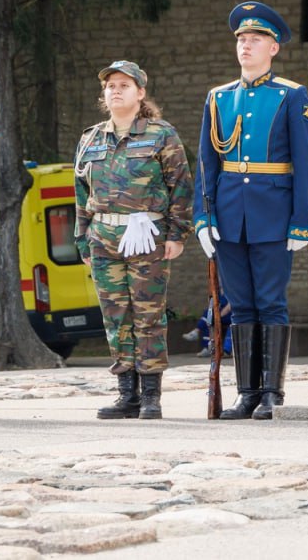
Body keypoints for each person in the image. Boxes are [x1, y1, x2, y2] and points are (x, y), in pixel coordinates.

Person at [194, 1, 308, 420]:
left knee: (270, 302)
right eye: (242, 40)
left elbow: (306, 164)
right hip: (229, 215)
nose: (246, 46)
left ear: (274, 48)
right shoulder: (218, 98)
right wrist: (203, 218)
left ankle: (271, 394)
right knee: (241, 304)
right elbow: (207, 165)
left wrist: (302, 221)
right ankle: (246, 393)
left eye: (256, 40)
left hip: (272, 213)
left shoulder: (290, 95)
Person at [73, 61, 193, 420]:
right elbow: (80, 194)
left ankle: (152, 394)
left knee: (148, 315)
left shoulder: (161, 134)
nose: (116, 90)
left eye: (124, 85)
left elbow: (182, 186)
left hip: (147, 237)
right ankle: (127, 393)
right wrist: (83, 240)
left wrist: (177, 234)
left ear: (140, 93)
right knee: (115, 317)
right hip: (103, 238)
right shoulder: (90, 138)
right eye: (110, 85)